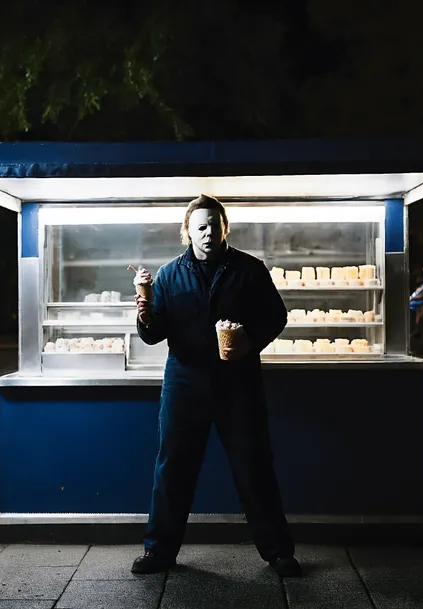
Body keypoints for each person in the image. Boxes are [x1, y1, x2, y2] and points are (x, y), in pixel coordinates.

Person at [131, 194, 300, 578]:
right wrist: (144, 314)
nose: (207, 233)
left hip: (237, 382)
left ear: (225, 228)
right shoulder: (169, 275)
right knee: (173, 467)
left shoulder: (249, 269)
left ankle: (278, 553)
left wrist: (249, 341)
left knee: (253, 465)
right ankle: (159, 552)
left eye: (213, 226)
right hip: (185, 381)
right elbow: (154, 334)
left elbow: (276, 315)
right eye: (200, 227)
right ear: (186, 232)